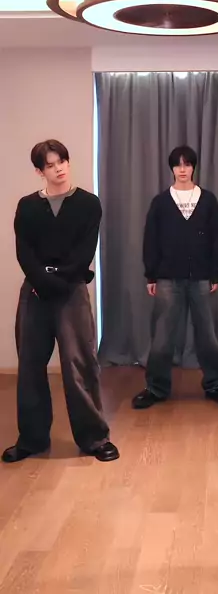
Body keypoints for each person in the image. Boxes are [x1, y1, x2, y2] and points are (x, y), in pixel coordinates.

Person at [2, 140, 119, 464]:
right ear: (40, 171)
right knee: (30, 366)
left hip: (71, 290)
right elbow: (24, 253)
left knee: (79, 365)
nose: (59, 169)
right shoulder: (27, 206)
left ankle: (95, 438)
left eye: (62, 161)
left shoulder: (88, 204)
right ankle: (32, 439)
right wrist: (43, 283)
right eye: (51, 165)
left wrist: (57, 282)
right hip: (35, 293)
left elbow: (83, 254)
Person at [132, 145, 218, 409]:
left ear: (193, 167)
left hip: (202, 278)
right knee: (162, 337)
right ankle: (156, 388)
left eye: (187, 164)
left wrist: (216, 273)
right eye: (178, 164)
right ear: (171, 168)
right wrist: (151, 275)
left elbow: (216, 239)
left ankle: (216, 384)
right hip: (168, 278)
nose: (182, 169)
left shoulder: (208, 200)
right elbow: (150, 240)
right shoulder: (160, 202)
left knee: (208, 336)